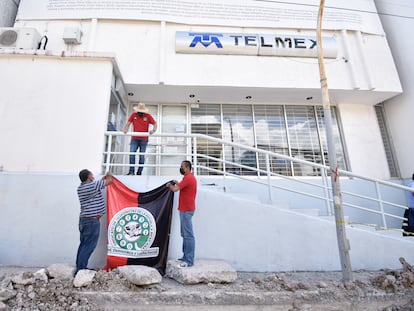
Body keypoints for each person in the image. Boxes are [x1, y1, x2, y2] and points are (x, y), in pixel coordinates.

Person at [75, 169, 113, 275]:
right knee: (89, 246)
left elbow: (98, 184)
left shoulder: (81, 187)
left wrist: (103, 178)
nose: (93, 176)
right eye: (92, 175)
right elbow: (110, 181)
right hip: (92, 221)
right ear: (89, 177)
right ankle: (81, 270)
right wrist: (109, 174)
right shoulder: (92, 186)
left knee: (83, 245)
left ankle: (80, 268)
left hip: (84, 220)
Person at [167, 160, 197, 267]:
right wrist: (176, 181)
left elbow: (175, 189)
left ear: (187, 167)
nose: (181, 168)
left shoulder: (188, 178)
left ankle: (189, 260)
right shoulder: (187, 178)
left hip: (186, 210)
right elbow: (181, 186)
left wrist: (169, 186)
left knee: (188, 235)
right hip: (185, 209)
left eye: (182, 167)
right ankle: (185, 256)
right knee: (184, 234)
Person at [123, 103, 157, 175]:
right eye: (139, 112)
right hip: (134, 138)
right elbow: (128, 123)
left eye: (141, 112)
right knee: (132, 153)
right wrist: (126, 129)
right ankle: (131, 171)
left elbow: (155, 124)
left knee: (141, 156)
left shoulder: (148, 116)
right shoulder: (133, 115)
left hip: (144, 139)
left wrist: (153, 130)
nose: (140, 113)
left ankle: (139, 172)